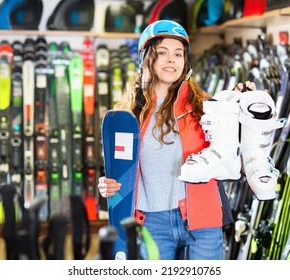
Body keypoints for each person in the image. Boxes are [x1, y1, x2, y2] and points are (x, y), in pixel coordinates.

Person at [97, 19, 256, 260]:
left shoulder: (205, 105)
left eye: (178, 54)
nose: (172, 59)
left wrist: (245, 106)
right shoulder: (128, 115)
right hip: (153, 222)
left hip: (202, 219)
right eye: (163, 52)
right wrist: (109, 185)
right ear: (146, 58)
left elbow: (234, 149)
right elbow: (122, 170)